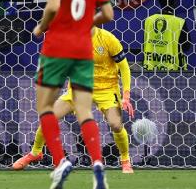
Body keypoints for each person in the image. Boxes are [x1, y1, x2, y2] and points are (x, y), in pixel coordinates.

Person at [32, 0, 113, 189]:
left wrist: (41, 27)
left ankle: (60, 162)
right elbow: (109, 13)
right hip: (83, 49)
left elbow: (53, 6)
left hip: (57, 48)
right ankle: (98, 165)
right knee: (84, 111)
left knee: (44, 107)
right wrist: (87, 22)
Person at [13, 27, 135, 173]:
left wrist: (126, 96)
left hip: (106, 89)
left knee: (116, 124)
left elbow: (124, 67)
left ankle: (125, 160)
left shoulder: (108, 39)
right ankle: (35, 153)